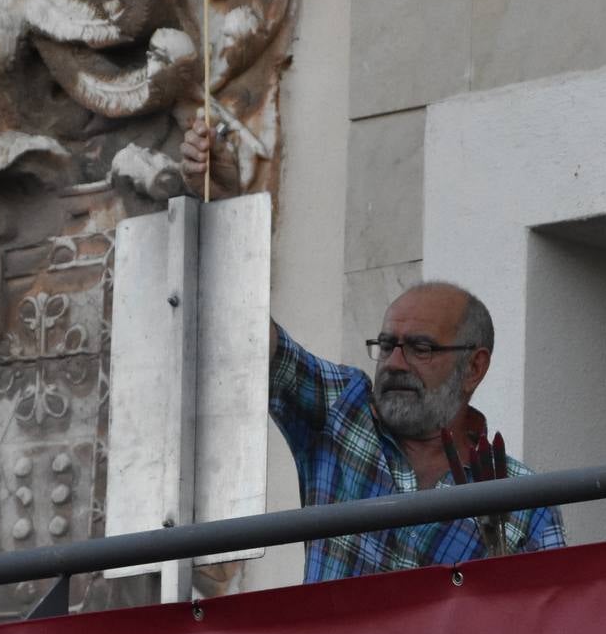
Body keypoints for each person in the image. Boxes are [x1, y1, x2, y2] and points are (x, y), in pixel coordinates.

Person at [188, 114, 563, 580]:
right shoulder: (344, 410)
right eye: (387, 346)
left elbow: (542, 631)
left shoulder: (523, 498)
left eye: (420, 348)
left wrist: (500, 563)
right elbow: (246, 335)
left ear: (473, 367)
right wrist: (225, 205)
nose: (395, 364)